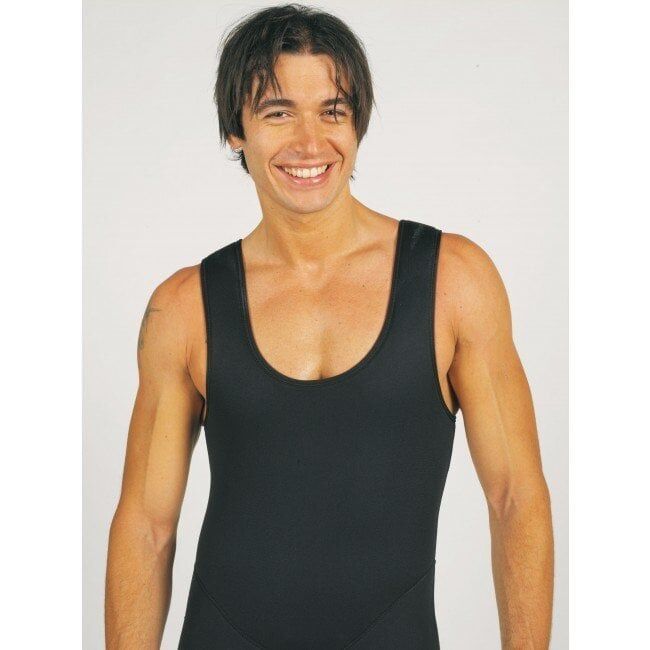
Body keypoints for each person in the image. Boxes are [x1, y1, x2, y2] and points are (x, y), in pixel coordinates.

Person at [105, 4, 554, 649]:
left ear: (358, 123)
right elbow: (146, 525)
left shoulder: (453, 280)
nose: (310, 143)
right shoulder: (184, 307)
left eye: (332, 111)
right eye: (278, 113)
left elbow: (516, 497)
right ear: (236, 130)